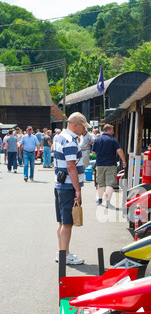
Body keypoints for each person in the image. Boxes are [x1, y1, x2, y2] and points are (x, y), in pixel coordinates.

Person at [53, 112, 90, 265]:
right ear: (75, 125)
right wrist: (78, 189)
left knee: (61, 222)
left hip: (59, 184)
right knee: (67, 223)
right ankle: (65, 255)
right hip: (68, 186)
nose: (84, 130)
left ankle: (62, 251)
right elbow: (71, 166)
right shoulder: (70, 141)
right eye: (83, 127)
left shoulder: (58, 137)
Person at [92, 124, 126, 208]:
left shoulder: (97, 140)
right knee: (109, 184)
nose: (113, 132)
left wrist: (100, 157)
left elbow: (93, 152)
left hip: (100, 164)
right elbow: (119, 150)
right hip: (111, 164)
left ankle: (99, 199)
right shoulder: (113, 140)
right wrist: (123, 160)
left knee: (100, 183)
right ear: (108, 130)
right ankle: (107, 202)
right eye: (112, 130)